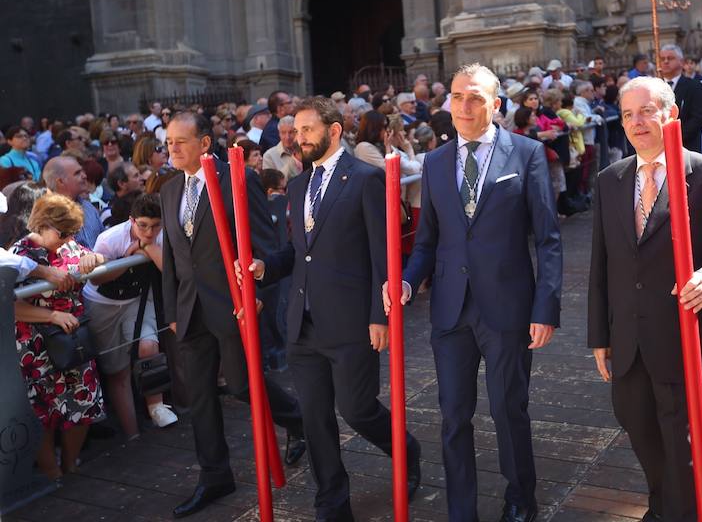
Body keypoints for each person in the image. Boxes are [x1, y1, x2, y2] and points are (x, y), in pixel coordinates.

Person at [385, 63, 563, 522]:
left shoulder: (525, 155)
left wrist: (546, 306)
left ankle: (521, 498)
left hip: (508, 308)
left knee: (509, 410)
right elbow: (426, 240)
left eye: (476, 97)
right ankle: (461, 510)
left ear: (495, 104)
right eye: (458, 96)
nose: (465, 106)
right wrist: (406, 279)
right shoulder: (436, 162)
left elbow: (547, 239)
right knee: (453, 417)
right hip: (449, 311)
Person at [238, 96, 421, 521]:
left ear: (333, 131)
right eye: (295, 131)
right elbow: (297, 252)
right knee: (317, 419)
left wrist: (382, 314)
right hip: (302, 323)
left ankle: (405, 449)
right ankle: (332, 503)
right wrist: (265, 267)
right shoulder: (298, 184)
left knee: (357, 410)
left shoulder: (365, 179)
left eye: (306, 130)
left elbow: (384, 254)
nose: (298, 138)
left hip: (352, 319)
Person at [587, 76, 702, 522]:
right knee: (641, 434)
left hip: (683, 341)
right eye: (628, 114)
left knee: (687, 452)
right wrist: (599, 336)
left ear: (672, 115)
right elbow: (601, 265)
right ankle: (665, 507)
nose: (637, 122)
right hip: (627, 343)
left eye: (647, 111)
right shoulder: (610, 180)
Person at [159, 112, 305, 518]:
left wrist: (256, 291)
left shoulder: (237, 179)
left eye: (180, 141)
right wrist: (172, 309)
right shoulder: (170, 191)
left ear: (205, 143)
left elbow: (265, 244)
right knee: (201, 397)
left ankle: (298, 420)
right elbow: (172, 257)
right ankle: (214, 476)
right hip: (189, 310)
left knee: (242, 385)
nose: (172, 148)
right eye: (168, 141)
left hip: (233, 303)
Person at [12, 193, 108, 481]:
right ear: (42, 224)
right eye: (62, 232)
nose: (67, 239)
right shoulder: (19, 254)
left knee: (83, 402)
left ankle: (71, 464)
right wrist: (52, 316)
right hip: (35, 344)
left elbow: (101, 260)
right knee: (40, 411)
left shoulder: (70, 247)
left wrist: (95, 257)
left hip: (73, 339)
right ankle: (52, 471)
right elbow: (11, 305)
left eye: (71, 233)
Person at [84, 193, 178, 438]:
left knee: (149, 346)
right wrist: (128, 259)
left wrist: (148, 247)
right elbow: (97, 278)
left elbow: (171, 271)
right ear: (131, 221)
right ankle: (132, 433)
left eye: (156, 225)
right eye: (143, 225)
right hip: (102, 303)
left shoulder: (163, 236)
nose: (149, 231)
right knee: (118, 371)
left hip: (136, 298)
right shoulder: (110, 238)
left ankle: (156, 407)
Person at [42, 156, 104, 248]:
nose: (84, 176)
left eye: (82, 171)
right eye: (77, 173)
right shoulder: (46, 217)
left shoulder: (89, 207)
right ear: (60, 181)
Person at [658, 44, 702, 153]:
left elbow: (699, 118)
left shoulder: (694, 86)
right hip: (659, 148)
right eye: (662, 59)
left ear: (681, 62)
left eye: (670, 58)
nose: (665, 61)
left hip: (686, 146)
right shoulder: (654, 87)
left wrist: (674, 137)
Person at [261, 116, 303, 181]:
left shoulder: (305, 150)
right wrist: (294, 159)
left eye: (291, 132)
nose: (287, 137)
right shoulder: (269, 156)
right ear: (279, 134)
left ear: (297, 133)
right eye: (283, 133)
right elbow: (272, 184)